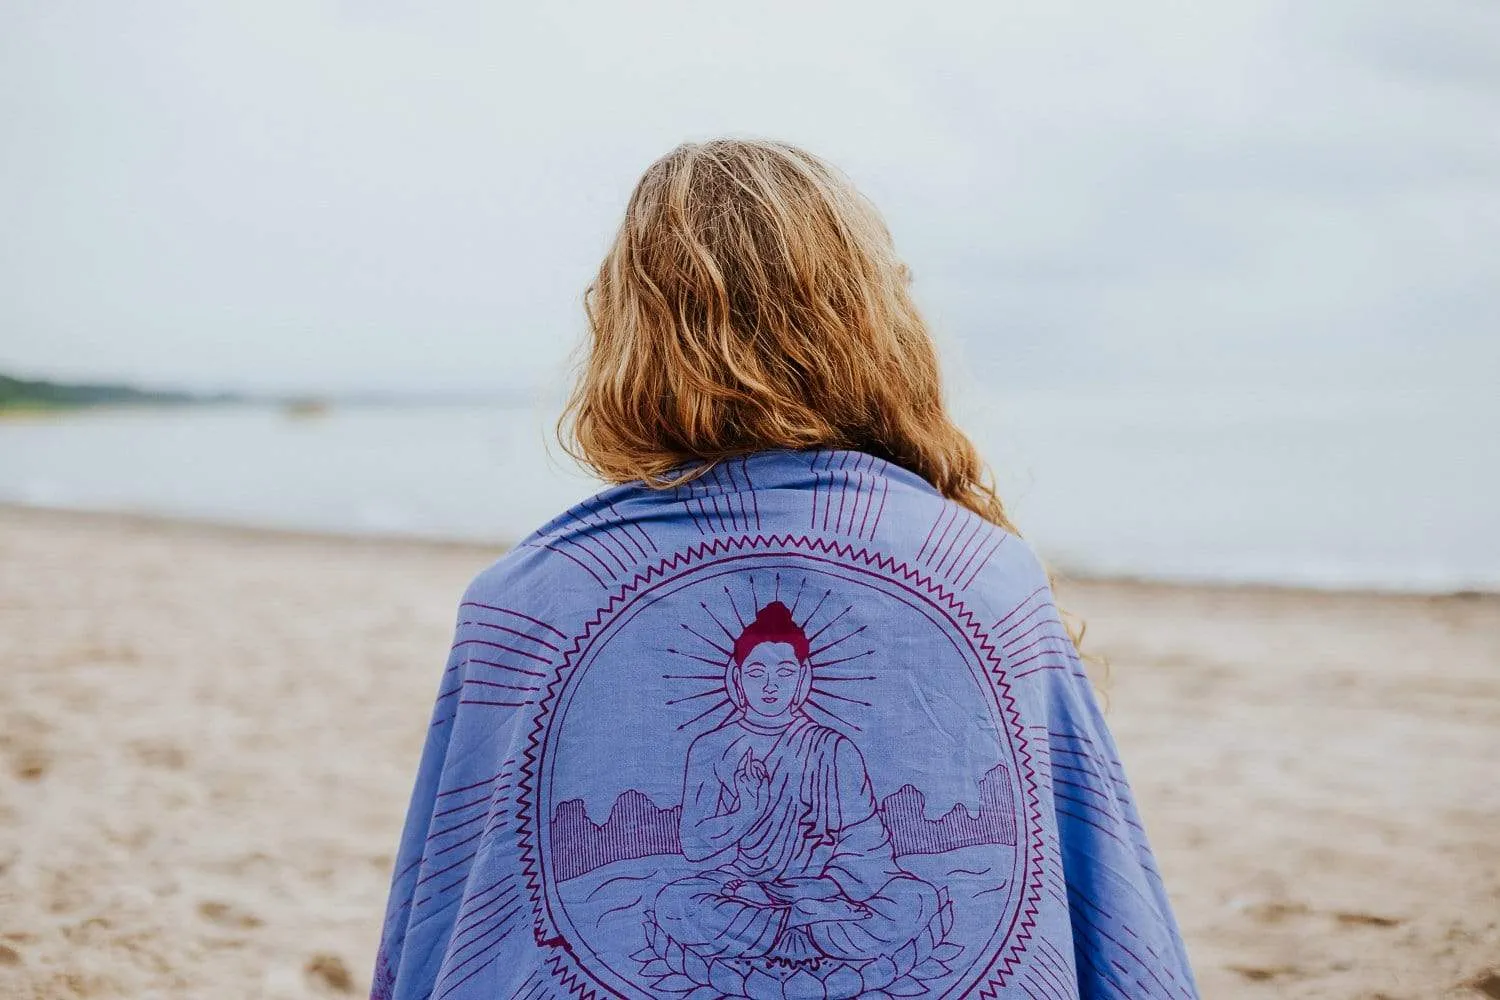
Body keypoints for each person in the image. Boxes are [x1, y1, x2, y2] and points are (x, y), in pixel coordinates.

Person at [371, 138, 1198, 1000]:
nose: (770, 690)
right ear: (874, 322)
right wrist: (742, 853)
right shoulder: (989, 580)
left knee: (900, 903)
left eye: (784, 675)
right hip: (732, 900)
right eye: (756, 675)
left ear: (624, 327)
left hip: (826, 900)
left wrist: (832, 875)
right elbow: (694, 852)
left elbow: (444, 946)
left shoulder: (527, 597)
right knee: (689, 904)